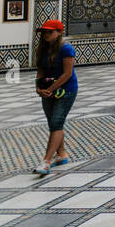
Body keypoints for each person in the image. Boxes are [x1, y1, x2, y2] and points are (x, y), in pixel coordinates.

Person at [32, 19, 78, 175]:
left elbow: (67, 74)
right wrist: (38, 88)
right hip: (48, 90)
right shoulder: (43, 49)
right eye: (44, 31)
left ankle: (46, 161)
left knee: (57, 122)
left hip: (66, 91)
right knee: (53, 123)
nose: (46, 34)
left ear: (59, 32)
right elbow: (40, 71)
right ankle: (62, 154)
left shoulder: (66, 49)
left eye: (50, 31)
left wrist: (50, 89)